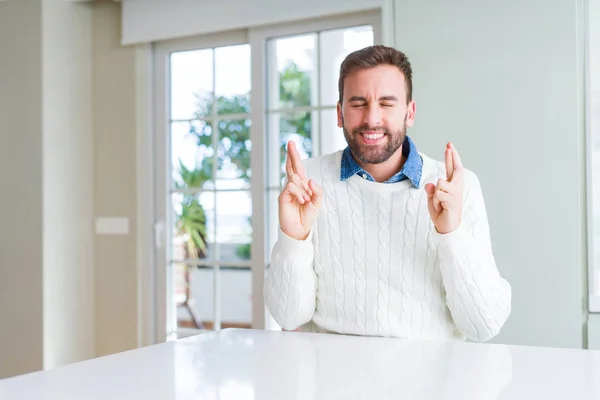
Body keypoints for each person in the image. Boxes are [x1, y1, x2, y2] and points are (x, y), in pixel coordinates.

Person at [263, 45, 511, 342]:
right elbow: (289, 317)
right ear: (340, 113)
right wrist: (294, 239)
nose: (372, 118)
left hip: (432, 385)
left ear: (410, 112)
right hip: (331, 381)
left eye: (387, 103)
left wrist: (451, 234)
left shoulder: (456, 187)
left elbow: (484, 325)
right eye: (358, 103)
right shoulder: (308, 183)